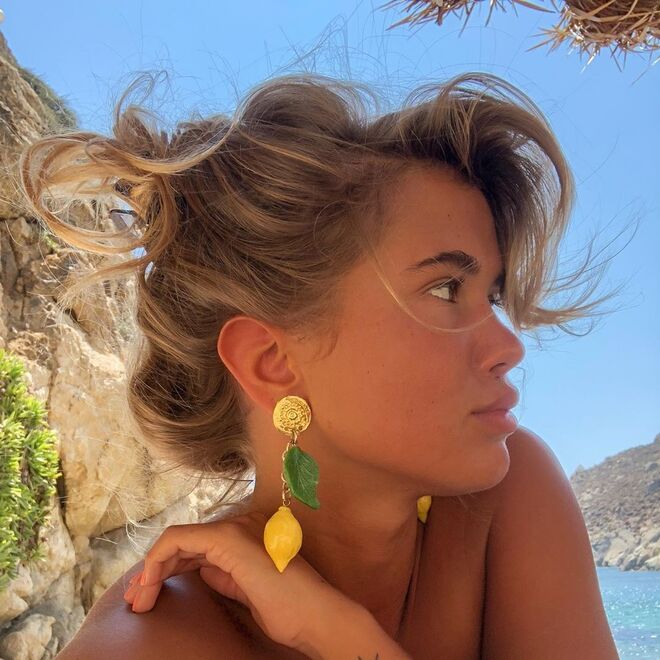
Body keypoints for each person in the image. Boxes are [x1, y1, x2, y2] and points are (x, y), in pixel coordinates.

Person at [17, 70, 620, 658]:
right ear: (271, 363)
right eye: (444, 289)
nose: (509, 347)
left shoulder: (509, 495)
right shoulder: (151, 647)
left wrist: (339, 638)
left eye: (491, 296)